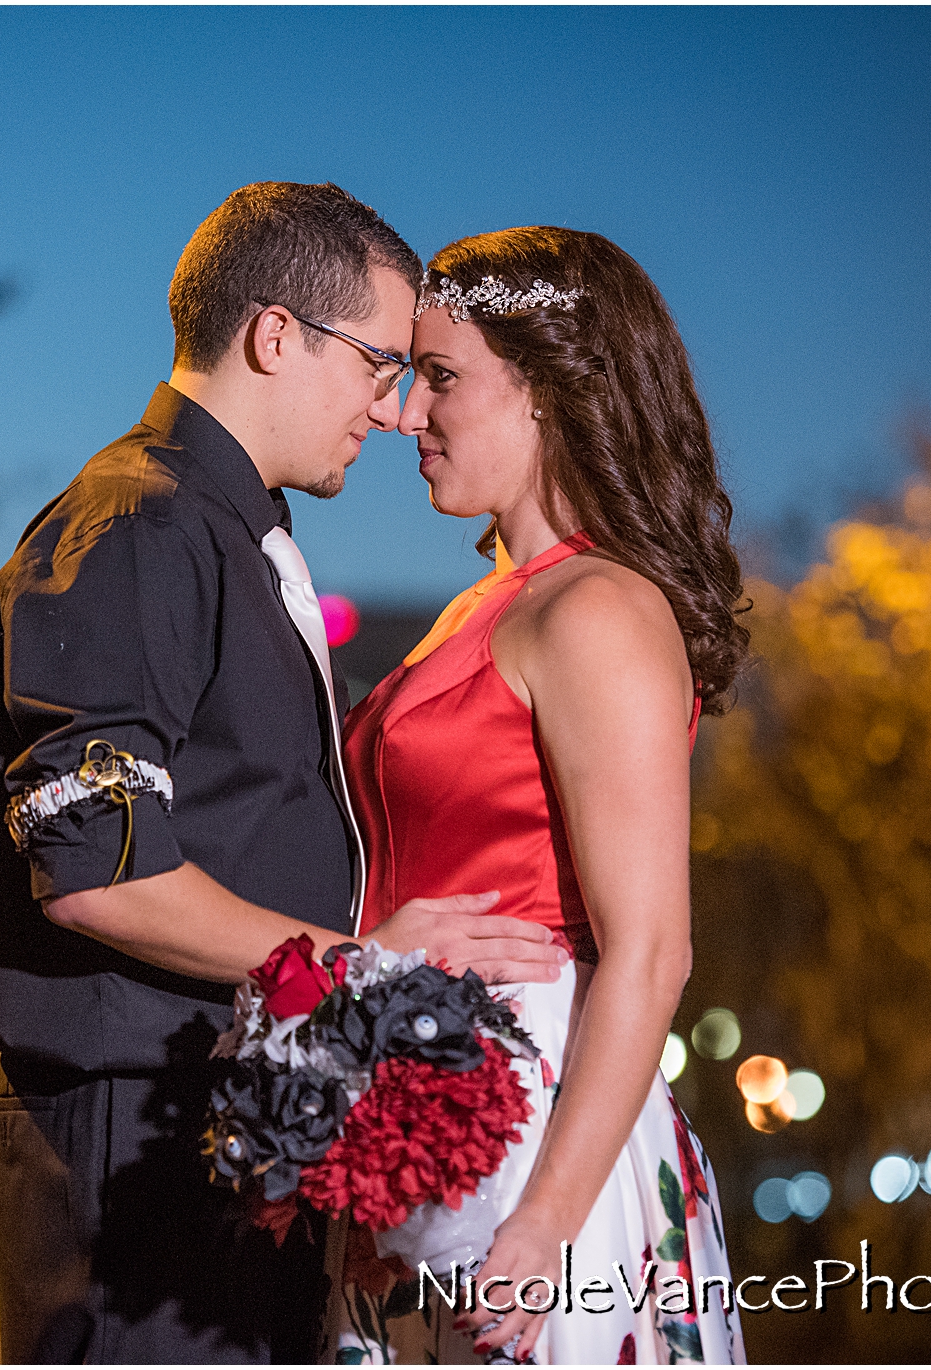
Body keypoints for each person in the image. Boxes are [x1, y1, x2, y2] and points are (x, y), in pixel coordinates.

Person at [0, 183, 568, 1364]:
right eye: (380, 365)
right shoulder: (135, 527)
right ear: (274, 334)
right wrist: (374, 966)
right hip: (137, 1136)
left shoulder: (217, 531)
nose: (395, 412)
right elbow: (99, 874)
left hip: (226, 1121)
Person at [335, 226, 749, 1364]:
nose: (406, 415)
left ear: (554, 392)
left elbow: (651, 947)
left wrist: (543, 1224)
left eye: (443, 378)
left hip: (545, 1141)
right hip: (430, 1128)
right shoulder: (484, 605)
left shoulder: (597, 611)